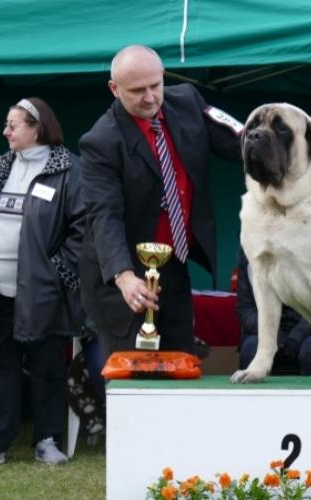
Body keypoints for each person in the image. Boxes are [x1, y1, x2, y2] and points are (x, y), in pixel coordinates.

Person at [79, 45, 243, 361]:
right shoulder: (100, 141)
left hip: (174, 264)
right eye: (137, 91)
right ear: (114, 89)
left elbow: (239, 141)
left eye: (155, 85)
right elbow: (104, 215)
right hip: (123, 277)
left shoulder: (188, 101)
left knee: (181, 363)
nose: (150, 97)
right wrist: (124, 277)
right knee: (134, 376)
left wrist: (280, 143)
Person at [0, 98, 85, 466]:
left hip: (43, 292)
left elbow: (82, 229)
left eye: (14, 125)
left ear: (38, 128)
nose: (5, 131)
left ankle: (47, 440)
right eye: (5, 124)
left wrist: (54, 271)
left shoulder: (67, 171)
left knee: (47, 365)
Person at [236, 248, 311, 375]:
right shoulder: (250, 255)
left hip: (303, 332)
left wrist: (296, 338)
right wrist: (272, 334)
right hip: (262, 331)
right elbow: (246, 309)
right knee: (251, 347)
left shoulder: (310, 251)